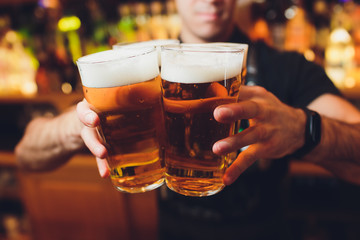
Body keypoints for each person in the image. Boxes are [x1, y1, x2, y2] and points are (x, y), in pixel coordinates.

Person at [15, 0, 360, 239]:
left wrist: (305, 129)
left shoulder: (288, 68)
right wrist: (78, 128)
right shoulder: (144, 66)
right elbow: (26, 154)